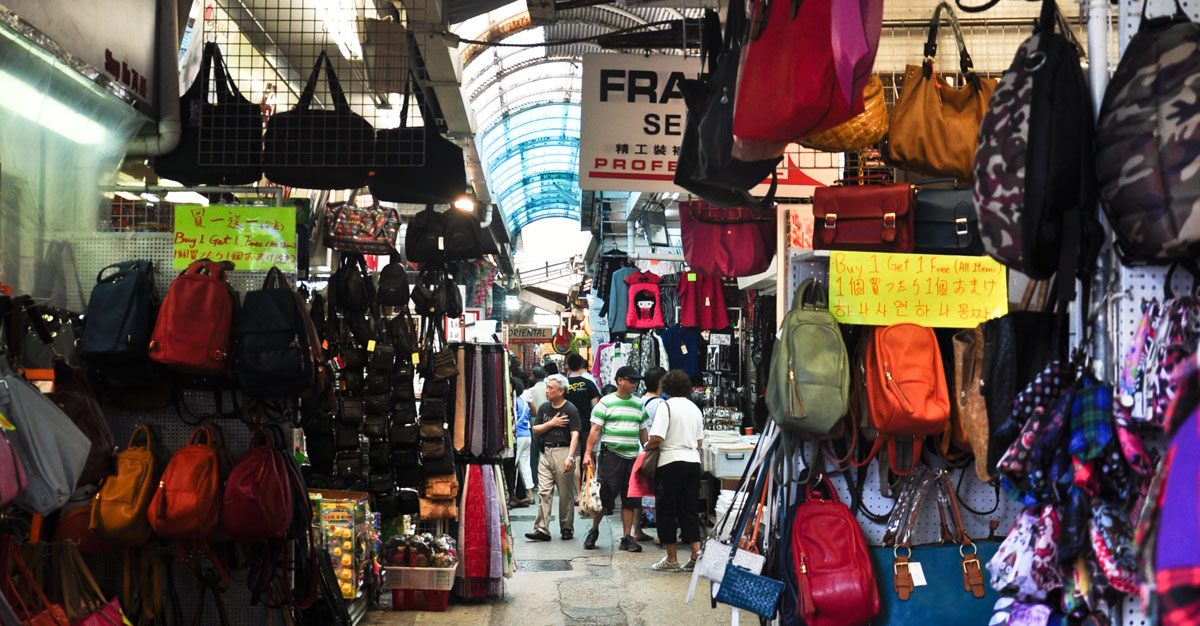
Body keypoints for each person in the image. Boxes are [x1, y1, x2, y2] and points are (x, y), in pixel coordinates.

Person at [582, 366, 651, 552]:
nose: (635, 384)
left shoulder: (639, 404)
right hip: (611, 455)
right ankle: (594, 530)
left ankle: (627, 537)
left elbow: (643, 431)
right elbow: (595, 429)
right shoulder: (606, 403)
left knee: (630, 499)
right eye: (631, 380)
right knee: (604, 497)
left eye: (637, 381)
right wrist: (588, 453)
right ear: (620, 380)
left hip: (632, 457)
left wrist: (647, 453)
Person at [646, 370, 705, 571]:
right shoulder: (695, 408)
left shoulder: (666, 407)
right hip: (692, 462)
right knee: (689, 509)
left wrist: (646, 447)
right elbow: (699, 442)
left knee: (667, 510)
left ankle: (671, 558)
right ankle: (695, 553)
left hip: (670, 462)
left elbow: (657, 438)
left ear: (666, 387)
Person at [525, 374, 581, 542]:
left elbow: (575, 434)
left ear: (561, 391)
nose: (547, 391)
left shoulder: (571, 409)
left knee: (565, 494)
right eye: (547, 387)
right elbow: (535, 429)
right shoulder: (544, 408)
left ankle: (566, 527)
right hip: (546, 452)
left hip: (563, 452)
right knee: (544, 491)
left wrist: (570, 457)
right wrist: (551, 423)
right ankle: (542, 528)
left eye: (550, 388)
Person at [509, 376, 533, 509]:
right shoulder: (524, 402)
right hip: (527, 435)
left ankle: (513, 495)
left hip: (518, 436)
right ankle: (529, 493)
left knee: (514, 467)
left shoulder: (514, 403)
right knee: (525, 465)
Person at [526, 365, 548, 490]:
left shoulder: (531, 391)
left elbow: (531, 410)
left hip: (535, 421)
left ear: (533, 376)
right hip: (549, 420)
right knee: (549, 451)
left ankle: (535, 481)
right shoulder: (549, 388)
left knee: (533, 453)